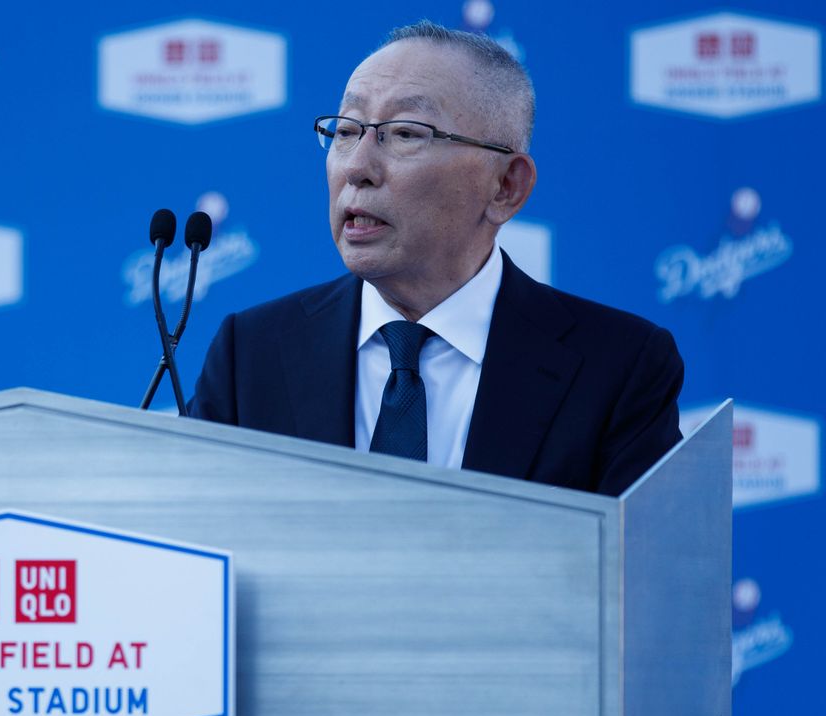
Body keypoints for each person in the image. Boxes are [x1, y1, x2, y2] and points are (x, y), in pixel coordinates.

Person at [187, 20, 683, 497]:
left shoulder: (618, 368)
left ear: (506, 187)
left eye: (404, 133)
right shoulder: (250, 354)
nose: (357, 166)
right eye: (344, 130)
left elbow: (645, 575)